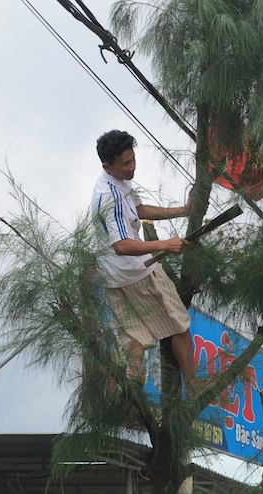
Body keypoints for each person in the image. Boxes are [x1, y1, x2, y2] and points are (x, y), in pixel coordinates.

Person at [91, 129, 196, 395]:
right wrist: (164, 244)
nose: (132, 167)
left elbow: (140, 210)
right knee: (180, 325)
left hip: (114, 279)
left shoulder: (118, 183)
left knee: (134, 346)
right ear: (107, 165)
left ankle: (128, 397)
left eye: (133, 159)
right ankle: (194, 387)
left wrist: (183, 210)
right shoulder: (110, 196)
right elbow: (122, 246)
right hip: (137, 273)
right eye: (126, 163)